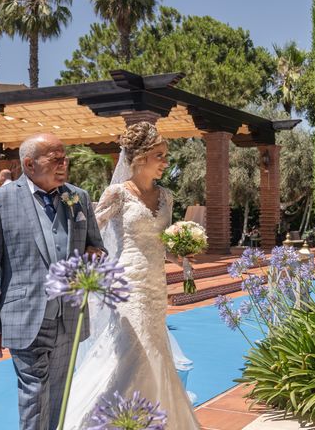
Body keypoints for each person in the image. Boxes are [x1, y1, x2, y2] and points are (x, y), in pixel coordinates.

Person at [64, 122, 200, 429]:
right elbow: (89, 234)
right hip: (126, 284)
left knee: (156, 349)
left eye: (166, 155)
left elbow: (161, 243)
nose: (166, 161)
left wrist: (181, 254)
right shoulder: (117, 194)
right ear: (139, 157)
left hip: (155, 284)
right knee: (132, 350)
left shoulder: (166, 197)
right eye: (160, 155)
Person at [0, 134, 105, 430]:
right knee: (34, 395)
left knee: (59, 395)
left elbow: (96, 245)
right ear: (29, 164)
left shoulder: (79, 197)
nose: (64, 165)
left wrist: (94, 255)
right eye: (56, 159)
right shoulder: (0, 200)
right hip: (25, 316)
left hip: (68, 316)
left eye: (65, 158)